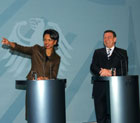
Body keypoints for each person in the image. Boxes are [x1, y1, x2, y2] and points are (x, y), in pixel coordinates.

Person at [1, 29, 61, 120]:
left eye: (49, 40)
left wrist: (45, 78)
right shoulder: (36, 49)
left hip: (48, 89)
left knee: (47, 114)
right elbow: (22, 49)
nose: (46, 42)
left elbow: (54, 75)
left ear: (55, 41)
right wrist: (10, 43)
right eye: (45, 39)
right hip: (33, 85)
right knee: (33, 113)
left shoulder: (57, 58)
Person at [90, 30, 128, 123]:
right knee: (101, 118)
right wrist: (101, 71)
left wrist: (110, 72)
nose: (106, 39)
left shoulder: (122, 53)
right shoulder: (98, 52)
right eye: (104, 38)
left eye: (109, 37)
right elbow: (93, 67)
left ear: (115, 39)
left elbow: (124, 70)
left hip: (115, 90)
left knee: (114, 118)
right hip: (100, 90)